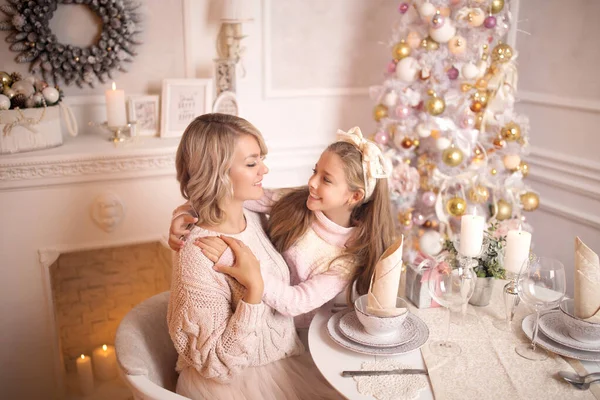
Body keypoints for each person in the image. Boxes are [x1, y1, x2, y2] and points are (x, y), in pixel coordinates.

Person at [167, 113, 341, 399]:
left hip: (282, 357)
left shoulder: (254, 216)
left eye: (261, 159)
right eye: (252, 163)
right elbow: (217, 365)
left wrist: (183, 211)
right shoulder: (197, 256)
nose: (265, 170)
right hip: (234, 384)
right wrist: (254, 291)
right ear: (217, 173)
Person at [169, 126, 398, 334]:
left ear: (354, 196)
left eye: (326, 180)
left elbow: (295, 302)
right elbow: (234, 195)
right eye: (314, 171)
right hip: (257, 311)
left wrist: (236, 261)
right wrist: (189, 211)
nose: (312, 182)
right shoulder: (297, 200)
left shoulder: (346, 258)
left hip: (293, 332)